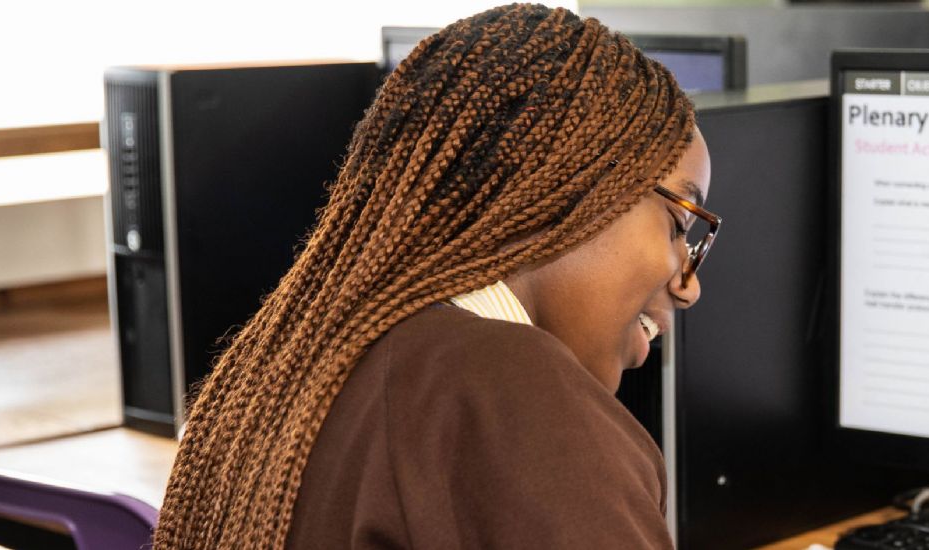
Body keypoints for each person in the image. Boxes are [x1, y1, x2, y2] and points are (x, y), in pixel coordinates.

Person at [150, 4, 716, 548]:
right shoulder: (512, 391)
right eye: (678, 224)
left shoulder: (287, 365)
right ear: (571, 184)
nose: (688, 286)